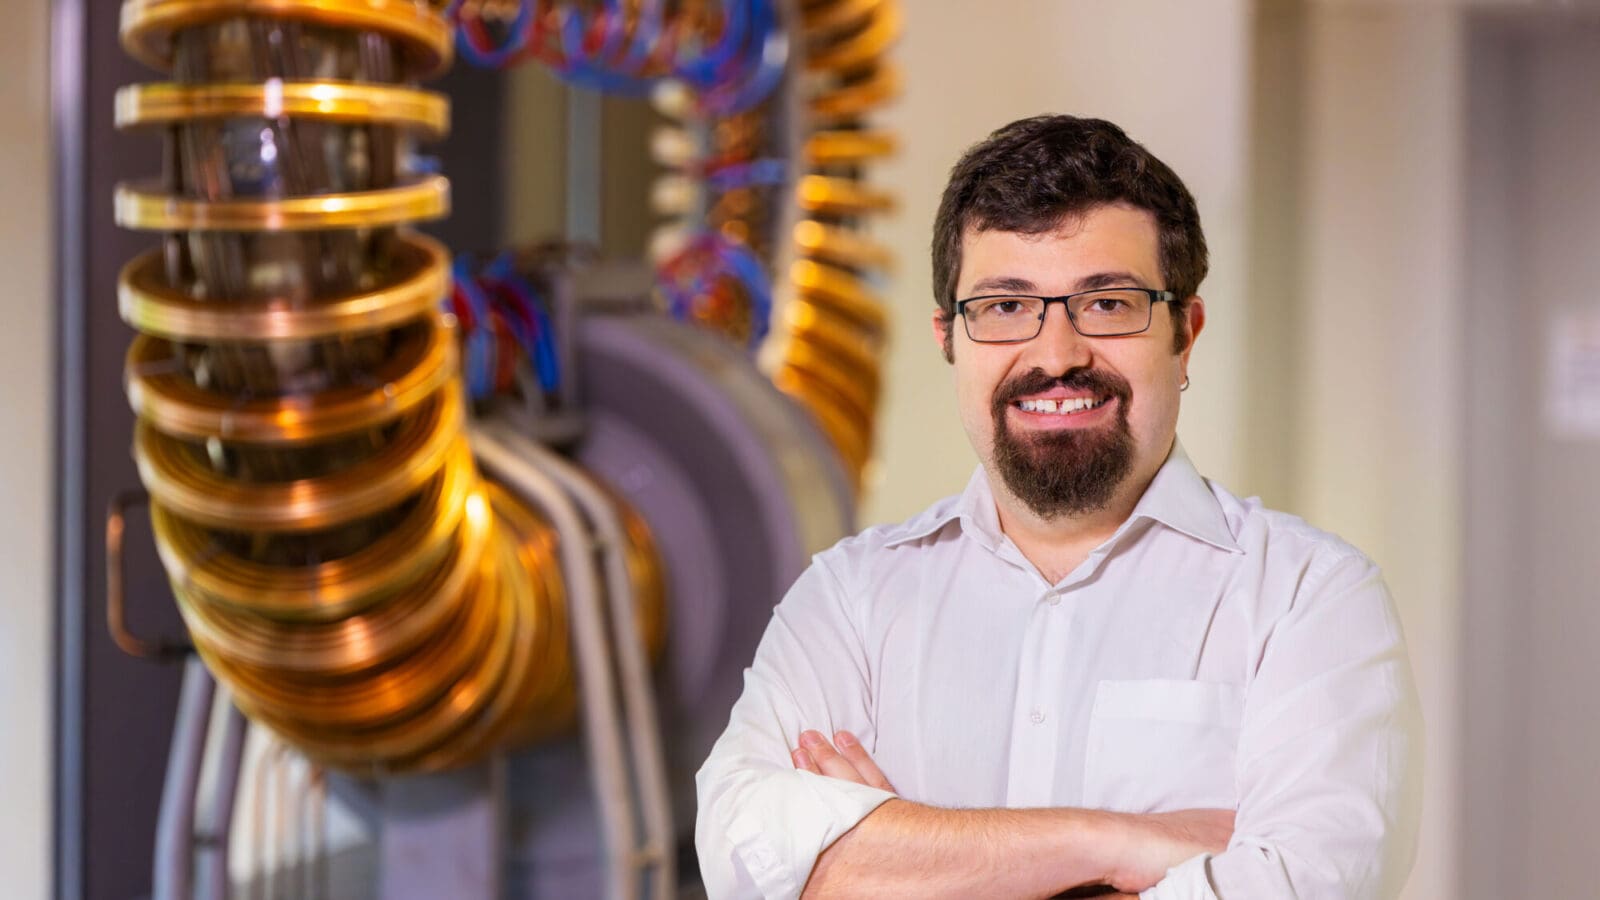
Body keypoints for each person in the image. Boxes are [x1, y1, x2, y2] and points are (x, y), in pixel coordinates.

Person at [694, 115, 1423, 899]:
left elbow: (1310, 889)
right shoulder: (849, 600)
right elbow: (745, 858)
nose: (1056, 354)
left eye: (1107, 303)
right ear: (950, 339)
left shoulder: (1309, 599)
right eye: (1006, 308)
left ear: (1186, 332)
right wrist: (1114, 844)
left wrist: (906, 855)